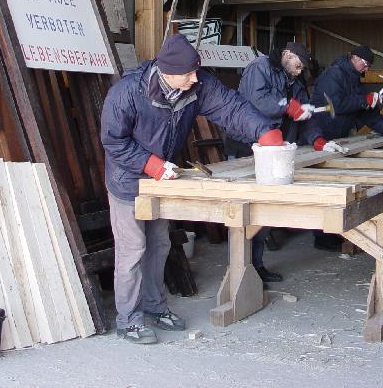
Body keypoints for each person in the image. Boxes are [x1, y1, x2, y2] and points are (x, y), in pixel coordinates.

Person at [100, 34, 283, 344]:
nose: (196, 78)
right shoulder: (127, 93)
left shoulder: (196, 85)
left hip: (162, 180)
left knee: (159, 246)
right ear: (167, 71)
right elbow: (113, 142)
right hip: (128, 180)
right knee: (133, 250)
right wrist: (152, 164)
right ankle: (128, 320)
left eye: (196, 72)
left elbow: (231, 107)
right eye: (189, 73)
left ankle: (155, 307)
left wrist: (264, 132)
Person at [225, 42, 345, 283]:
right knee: (245, 211)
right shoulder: (259, 68)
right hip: (246, 145)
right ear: (287, 55)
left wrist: (319, 141)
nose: (301, 71)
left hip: (274, 150)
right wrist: (290, 108)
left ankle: (256, 267)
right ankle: (242, 270)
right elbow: (258, 101)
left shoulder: (296, 81)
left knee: (265, 209)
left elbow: (304, 119)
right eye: (298, 65)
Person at [309, 45, 383, 251]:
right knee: (323, 188)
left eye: (368, 66)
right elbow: (335, 105)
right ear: (354, 58)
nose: (366, 69)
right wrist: (363, 100)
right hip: (319, 137)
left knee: (337, 187)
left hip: (338, 138)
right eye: (365, 64)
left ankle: (333, 233)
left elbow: (362, 112)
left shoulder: (354, 78)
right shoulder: (334, 74)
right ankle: (322, 238)